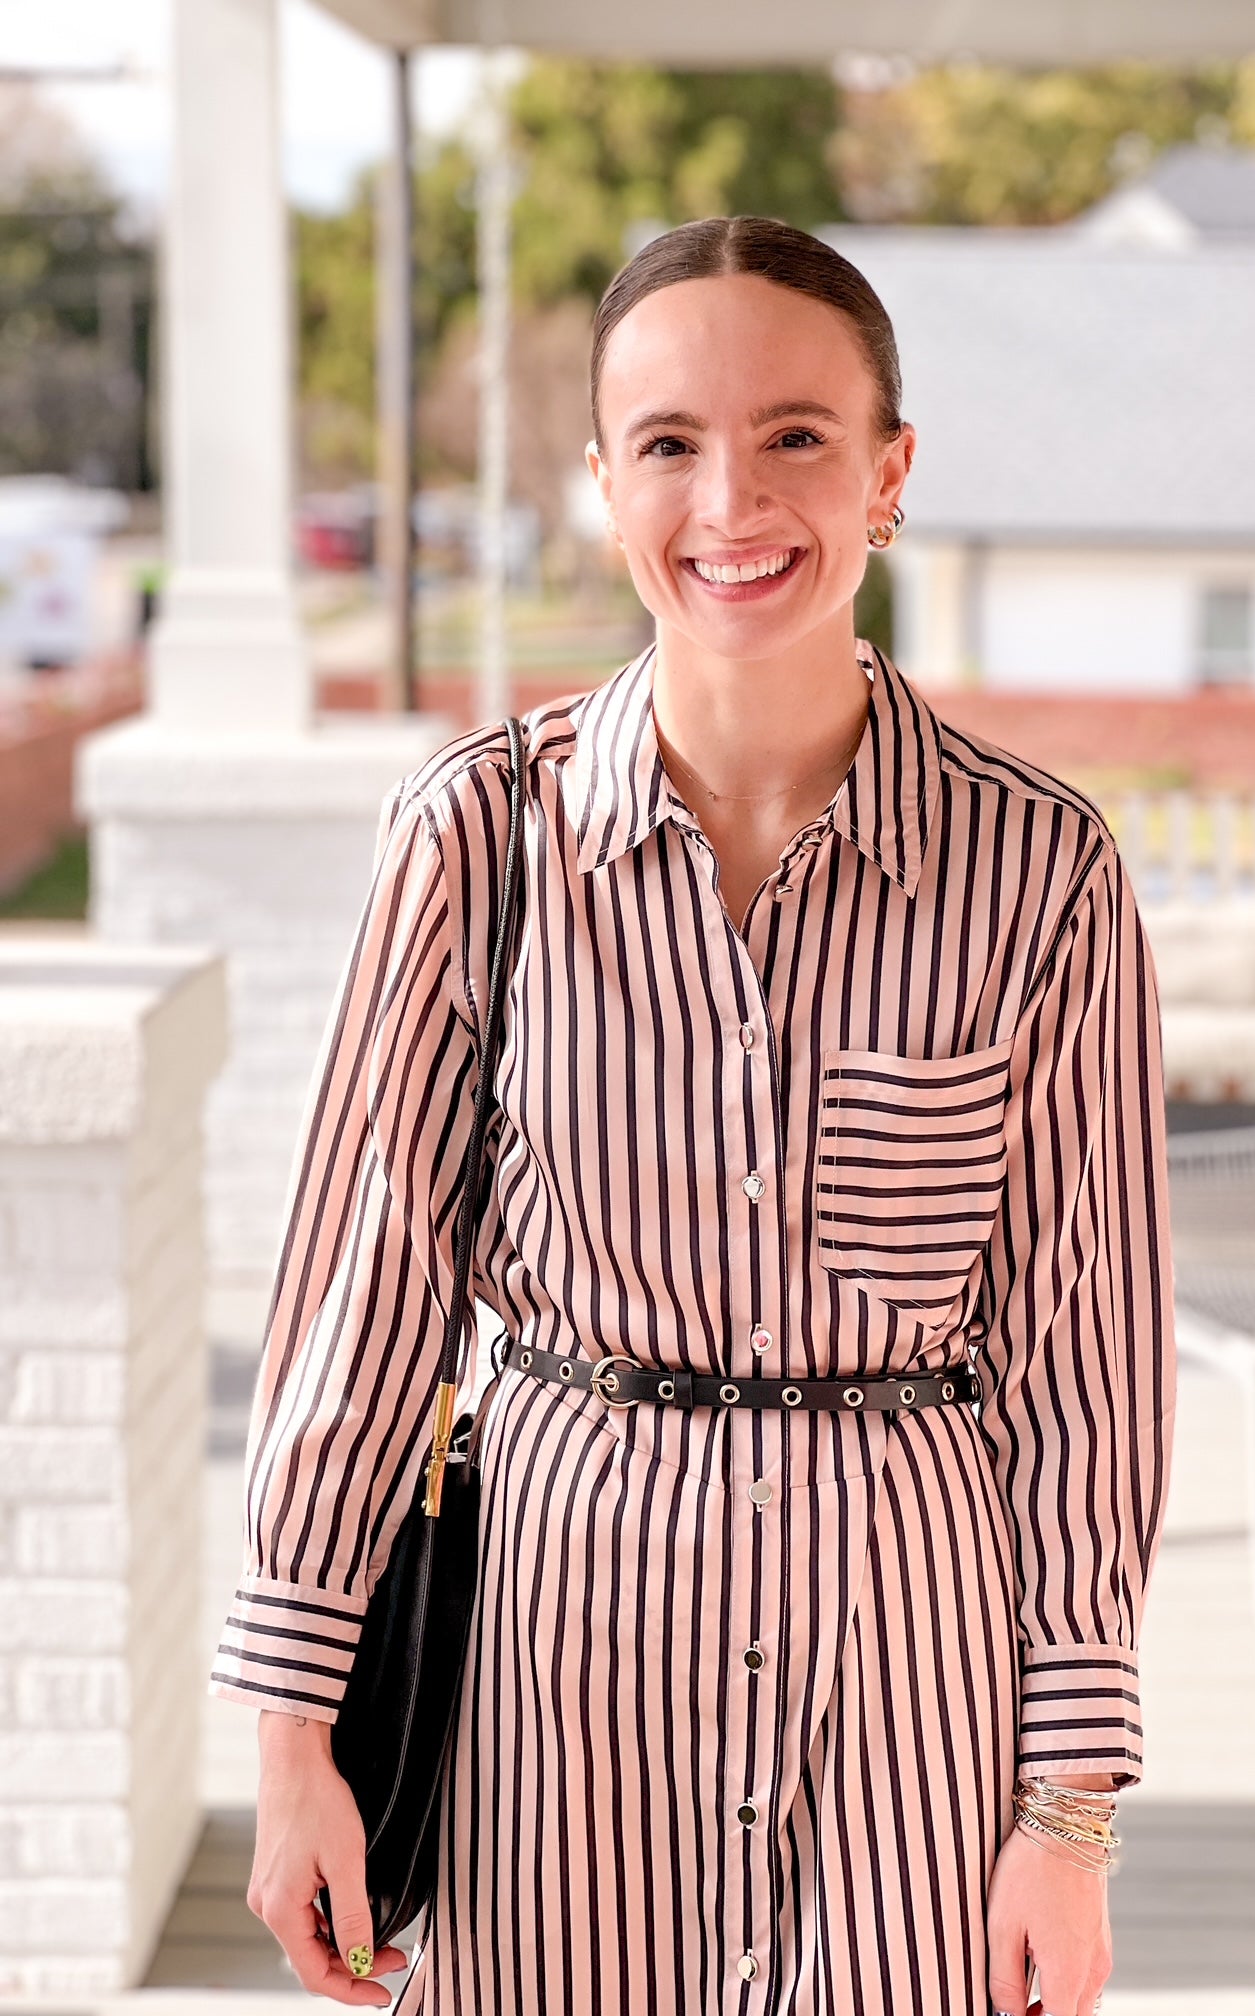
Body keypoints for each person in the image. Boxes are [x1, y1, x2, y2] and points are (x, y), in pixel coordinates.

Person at [209, 214, 1177, 2016]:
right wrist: (292, 1743)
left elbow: (1087, 1372)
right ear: (603, 482)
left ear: (890, 472)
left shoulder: (1045, 870)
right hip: (548, 1696)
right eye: (668, 443)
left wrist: (1070, 1813)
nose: (732, 498)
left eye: (796, 435)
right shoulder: (472, 840)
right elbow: (363, 1305)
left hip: (916, 1707)